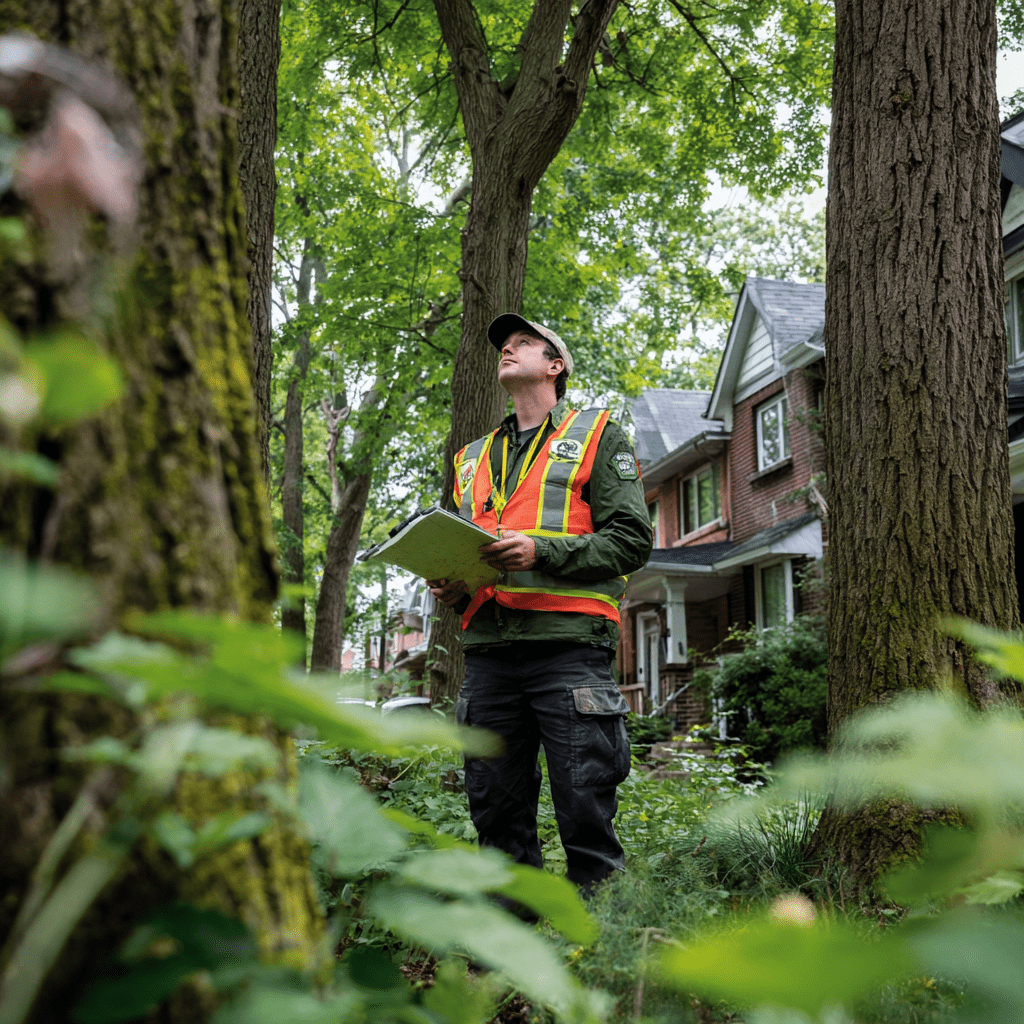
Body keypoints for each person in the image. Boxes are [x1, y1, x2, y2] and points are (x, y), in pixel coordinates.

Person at [427, 313, 653, 892]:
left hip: (569, 651)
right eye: (503, 344)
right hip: (488, 656)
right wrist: (454, 585)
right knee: (495, 818)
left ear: (555, 366)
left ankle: (603, 957)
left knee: (585, 811)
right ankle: (509, 962)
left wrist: (541, 551)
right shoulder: (469, 460)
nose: (507, 348)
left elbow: (632, 541)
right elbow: (467, 550)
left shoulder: (598, 435)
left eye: (522, 343)